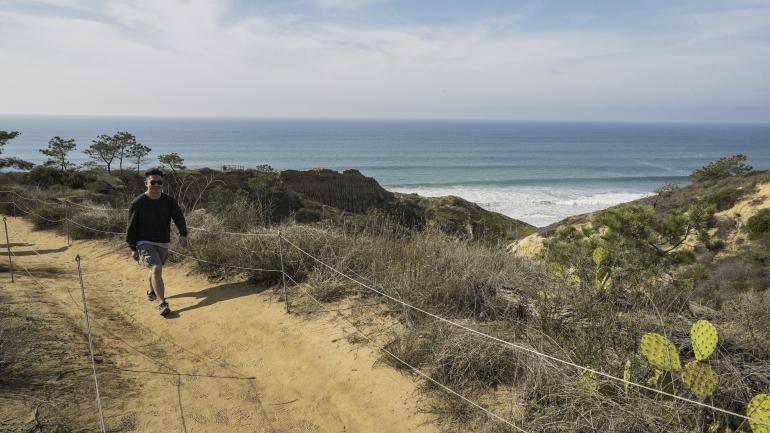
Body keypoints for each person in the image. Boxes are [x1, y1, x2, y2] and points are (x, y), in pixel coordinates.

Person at [126, 168, 189, 316]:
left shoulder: (169, 201)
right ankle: (162, 303)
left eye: (159, 182)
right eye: (152, 182)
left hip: (163, 242)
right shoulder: (138, 203)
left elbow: (178, 217)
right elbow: (131, 226)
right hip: (144, 242)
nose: (156, 185)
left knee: (156, 269)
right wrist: (133, 247)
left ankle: (152, 291)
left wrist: (183, 234)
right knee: (156, 267)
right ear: (146, 183)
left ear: (163, 183)